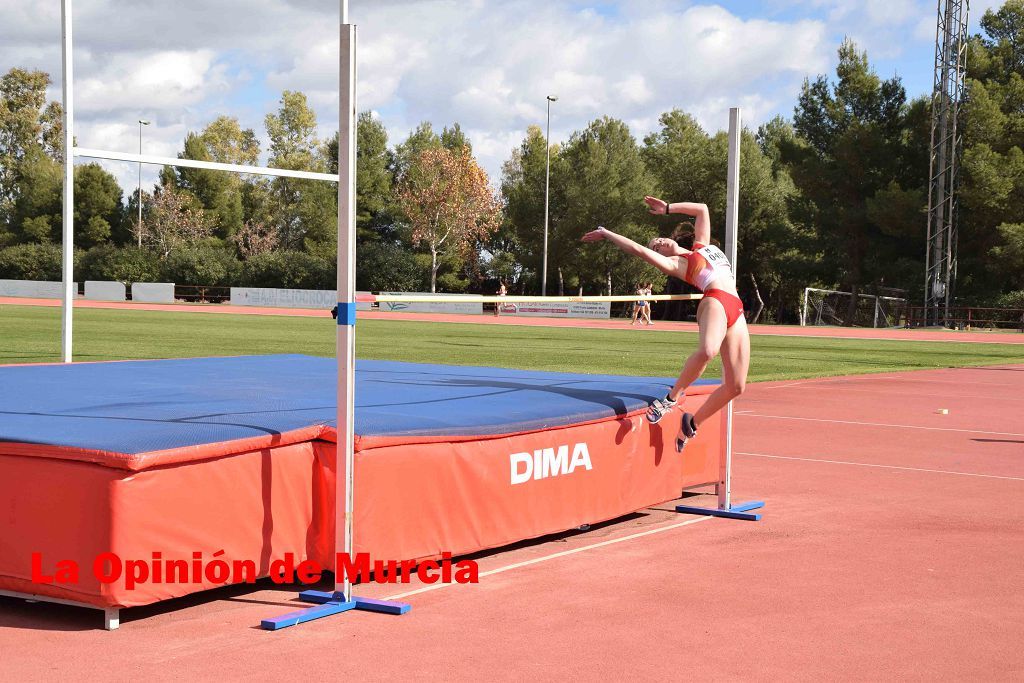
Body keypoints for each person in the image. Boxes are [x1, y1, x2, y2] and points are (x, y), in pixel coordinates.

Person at [582, 196, 748, 451]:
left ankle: (690, 425)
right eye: (656, 247)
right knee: (707, 351)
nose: (659, 243)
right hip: (715, 300)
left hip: (736, 307)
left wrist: (668, 208)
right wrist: (607, 233)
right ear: (661, 256)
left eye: (659, 239)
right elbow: (637, 249)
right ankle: (670, 399)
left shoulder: (700, 246)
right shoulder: (675, 265)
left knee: (736, 386)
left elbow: (702, 209)